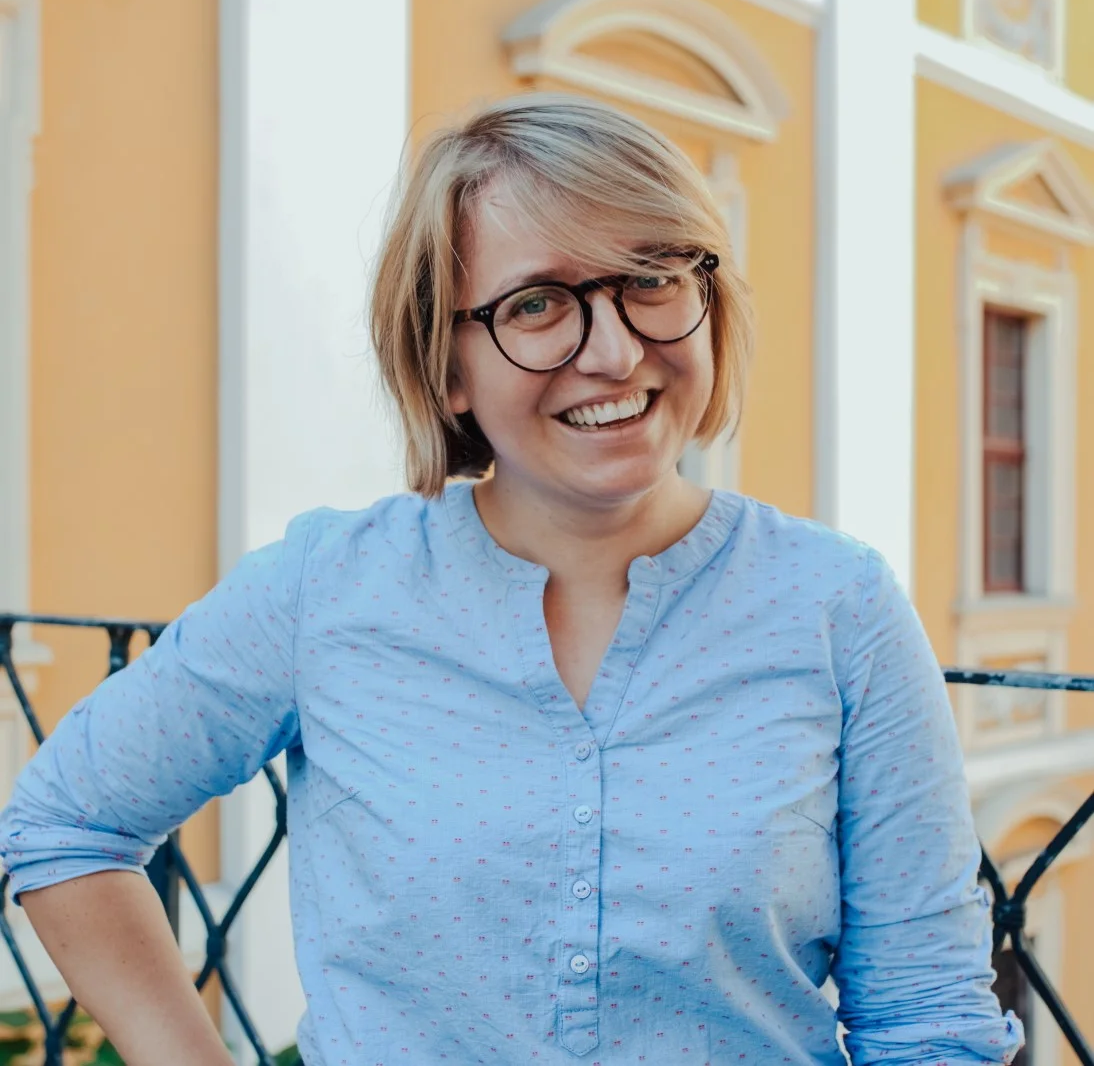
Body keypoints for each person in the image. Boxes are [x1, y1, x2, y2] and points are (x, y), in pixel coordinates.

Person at [0, 93, 1023, 1065]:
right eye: (536, 304)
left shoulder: (836, 605)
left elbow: (927, 1015)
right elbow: (64, 824)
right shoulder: (329, 590)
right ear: (447, 365)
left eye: (652, 278)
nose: (614, 350)